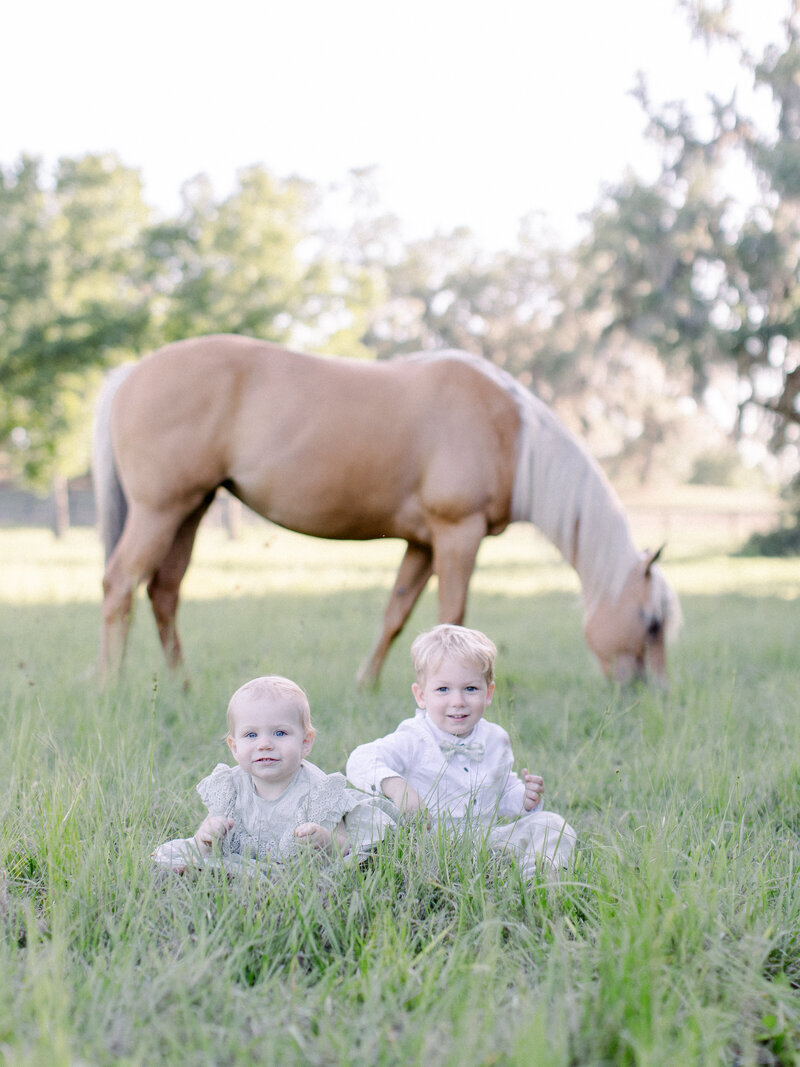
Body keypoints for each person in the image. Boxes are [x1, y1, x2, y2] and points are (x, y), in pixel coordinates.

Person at [346, 624, 576, 877]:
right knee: (376, 836)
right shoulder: (415, 737)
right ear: (421, 696)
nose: (458, 701)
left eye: (470, 689)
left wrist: (525, 799)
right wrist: (397, 787)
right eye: (443, 689)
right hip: (432, 846)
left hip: (486, 842)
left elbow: (503, 791)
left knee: (553, 825)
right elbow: (361, 758)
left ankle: (537, 879)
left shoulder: (495, 738)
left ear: (488, 694)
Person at [152, 675, 394, 874]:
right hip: (247, 862)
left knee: (344, 866)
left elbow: (345, 844)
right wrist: (207, 835)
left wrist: (326, 842)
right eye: (251, 735)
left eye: (279, 733)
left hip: (297, 866)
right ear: (234, 747)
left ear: (306, 743)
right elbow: (209, 831)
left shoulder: (318, 790)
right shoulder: (229, 787)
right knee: (188, 857)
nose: (265, 744)